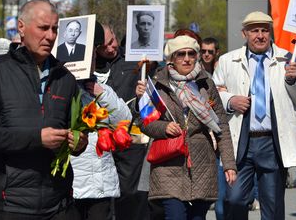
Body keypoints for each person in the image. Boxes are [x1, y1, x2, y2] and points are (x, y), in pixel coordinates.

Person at [0, 0, 88, 219]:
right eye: (43, 28)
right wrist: (36, 138)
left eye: (54, 29)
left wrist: (80, 142)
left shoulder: (66, 77)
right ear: (21, 27)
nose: (51, 36)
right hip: (10, 205)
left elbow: (79, 127)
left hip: (59, 204)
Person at [212, 11, 296, 220]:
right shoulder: (228, 61)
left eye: (264, 30)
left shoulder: (288, 59)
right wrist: (230, 100)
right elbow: (213, 96)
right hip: (241, 142)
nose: (260, 35)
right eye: (254, 30)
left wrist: (293, 81)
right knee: (235, 199)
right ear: (244, 33)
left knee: (272, 206)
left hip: (271, 143)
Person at [138, 35, 237, 219]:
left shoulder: (205, 84)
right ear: (171, 59)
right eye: (180, 54)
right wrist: (164, 128)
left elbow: (221, 124)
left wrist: (229, 164)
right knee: (175, 216)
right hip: (169, 164)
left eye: (191, 53)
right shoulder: (157, 84)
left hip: (202, 163)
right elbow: (145, 123)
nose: (186, 58)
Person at [72, 22, 132, 220]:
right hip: (74, 183)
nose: (92, 59)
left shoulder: (99, 86)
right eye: (88, 55)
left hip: (101, 181)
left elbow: (124, 119)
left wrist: (101, 94)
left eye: (94, 55)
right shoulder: (61, 87)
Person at [96, 24, 157, 220]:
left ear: (115, 34)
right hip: (101, 138)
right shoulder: (90, 65)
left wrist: (144, 90)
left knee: (130, 193)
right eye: (104, 46)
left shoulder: (135, 60)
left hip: (131, 138)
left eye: (112, 41)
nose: (111, 48)